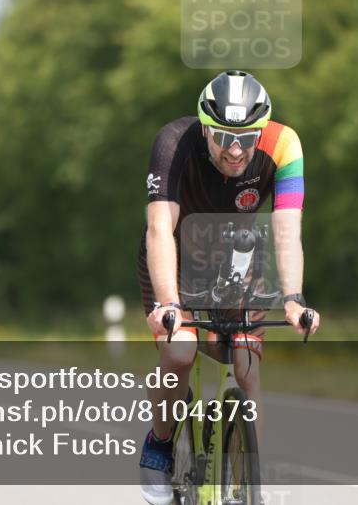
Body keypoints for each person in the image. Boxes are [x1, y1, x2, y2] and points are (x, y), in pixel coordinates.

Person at [137, 70, 320, 505]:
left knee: (245, 368)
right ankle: (160, 444)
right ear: (204, 127)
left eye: (247, 137)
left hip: (238, 261)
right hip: (177, 260)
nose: (236, 150)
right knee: (180, 351)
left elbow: (286, 230)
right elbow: (160, 229)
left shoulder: (284, 145)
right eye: (222, 137)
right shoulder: (173, 142)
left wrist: (293, 299)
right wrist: (168, 304)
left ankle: (247, 484)